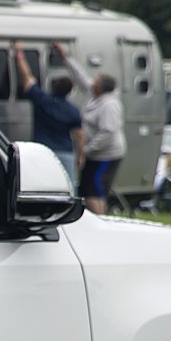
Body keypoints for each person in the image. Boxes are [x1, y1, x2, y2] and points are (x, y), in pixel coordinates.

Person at [52, 43, 123, 214]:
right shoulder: (95, 94)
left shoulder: (109, 105)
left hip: (105, 154)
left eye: (96, 81)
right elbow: (81, 77)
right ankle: (95, 218)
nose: (92, 82)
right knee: (87, 188)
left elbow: (108, 132)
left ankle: (100, 219)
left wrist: (86, 150)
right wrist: (65, 58)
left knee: (95, 189)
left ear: (101, 87)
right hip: (93, 154)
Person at [12, 41, 84, 182]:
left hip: (43, 151)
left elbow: (26, 76)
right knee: (67, 187)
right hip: (66, 153)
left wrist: (19, 53)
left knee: (42, 183)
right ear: (69, 91)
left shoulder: (41, 99)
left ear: (54, 87)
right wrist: (80, 156)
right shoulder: (73, 110)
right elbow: (80, 136)